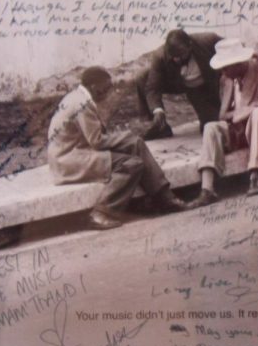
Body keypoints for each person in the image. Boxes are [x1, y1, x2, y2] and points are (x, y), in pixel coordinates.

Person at [48, 66, 187, 230]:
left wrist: (129, 138)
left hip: (72, 153)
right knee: (132, 164)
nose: (108, 93)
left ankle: (164, 196)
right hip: (69, 161)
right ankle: (101, 212)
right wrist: (127, 136)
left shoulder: (77, 97)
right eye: (105, 89)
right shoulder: (83, 104)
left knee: (135, 143)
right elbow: (97, 141)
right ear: (94, 87)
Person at [190, 39, 258, 205]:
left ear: (238, 63)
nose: (223, 71)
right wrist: (235, 116)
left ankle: (256, 174)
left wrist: (240, 114)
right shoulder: (227, 79)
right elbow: (223, 115)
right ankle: (207, 189)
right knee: (211, 127)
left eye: (226, 67)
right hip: (239, 130)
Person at [135, 29, 222, 140]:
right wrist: (158, 110)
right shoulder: (160, 56)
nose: (177, 59)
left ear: (190, 45)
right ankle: (159, 127)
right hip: (177, 82)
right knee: (142, 77)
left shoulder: (208, 40)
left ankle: (209, 115)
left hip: (202, 87)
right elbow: (153, 87)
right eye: (173, 56)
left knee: (211, 127)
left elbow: (231, 50)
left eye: (181, 55)